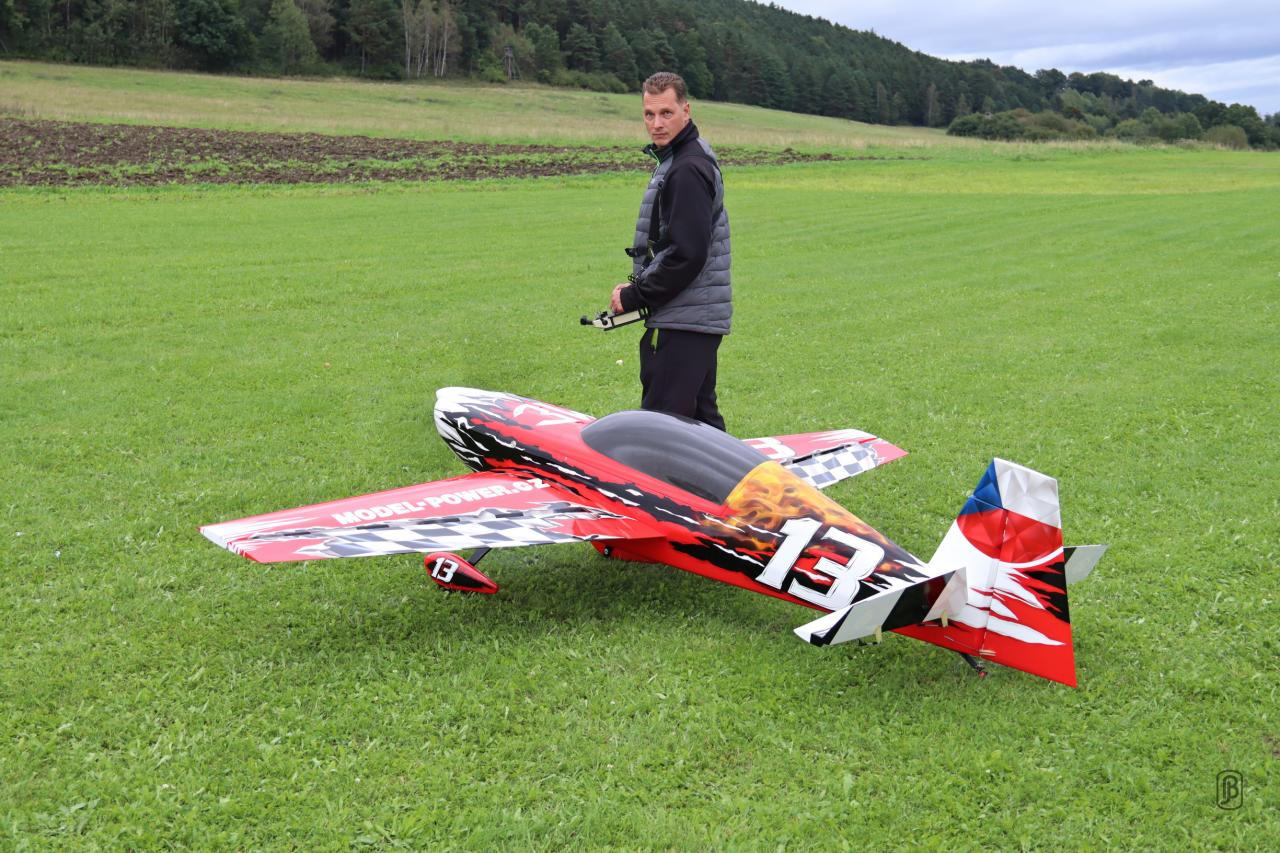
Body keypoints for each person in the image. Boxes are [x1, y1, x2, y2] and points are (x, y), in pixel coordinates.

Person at [609, 71, 731, 431]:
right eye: (649, 114)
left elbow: (686, 255)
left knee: (662, 431)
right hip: (694, 317)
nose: (657, 124)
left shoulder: (686, 168)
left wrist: (635, 295)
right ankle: (749, 473)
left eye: (666, 113)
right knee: (702, 427)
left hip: (685, 320)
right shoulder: (683, 158)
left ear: (686, 110)